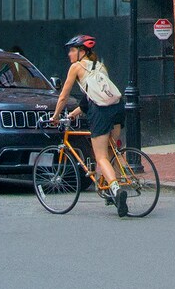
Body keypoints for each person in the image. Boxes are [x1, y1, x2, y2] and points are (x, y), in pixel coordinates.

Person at [50, 34, 127, 215]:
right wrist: (74, 113)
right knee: (111, 152)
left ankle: (116, 189)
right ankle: (116, 185)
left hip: (100, 112)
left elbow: (63, 95)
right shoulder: (100, 66)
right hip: (117, 108)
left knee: (100, 157)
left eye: (72, 50)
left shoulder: (76, 67)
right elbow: (92, 96)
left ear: (81, 51)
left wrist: (55, 116)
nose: (69, 54)